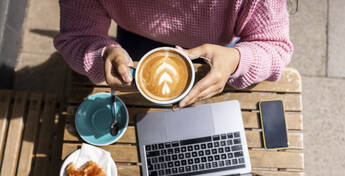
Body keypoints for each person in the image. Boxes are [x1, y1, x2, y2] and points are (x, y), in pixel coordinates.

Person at [54, 0, 293, 110]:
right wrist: (103, 54)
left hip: (216, 52)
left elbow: (275, 47)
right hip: (131, 41)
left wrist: (235, 60)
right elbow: (77, 37)